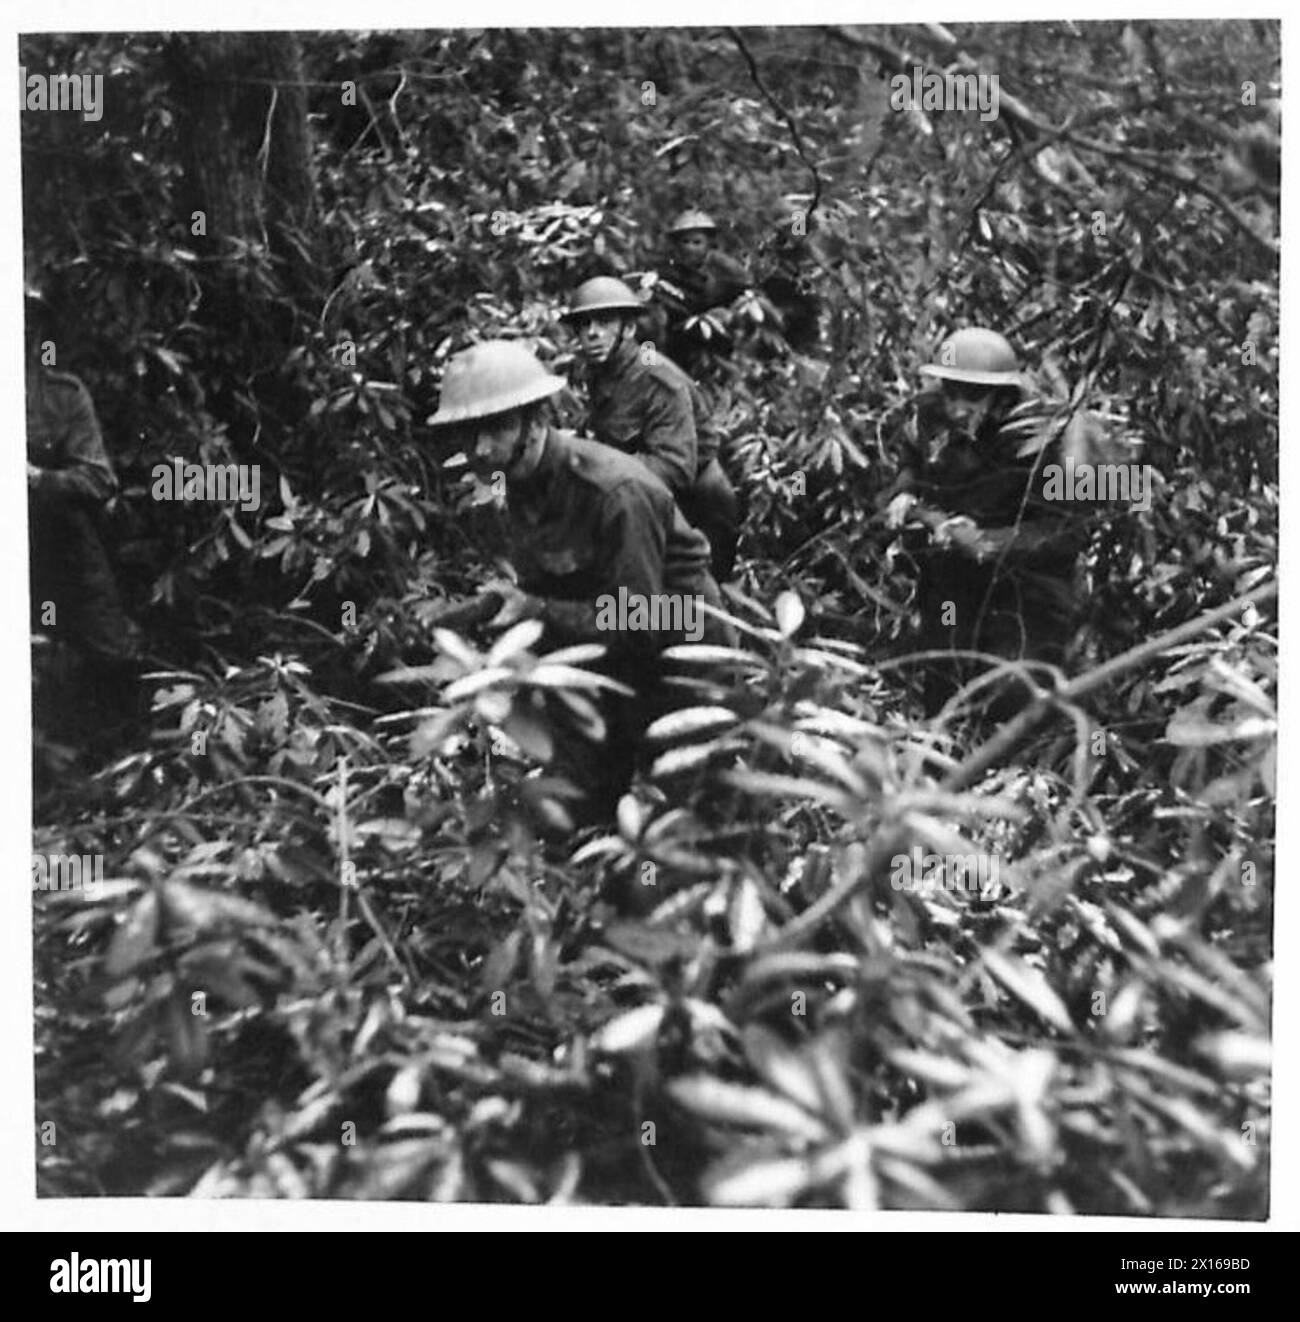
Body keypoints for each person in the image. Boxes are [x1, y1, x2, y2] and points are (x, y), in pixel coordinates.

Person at [427, 339, 733, 819]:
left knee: (678, 819)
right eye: (469, 435)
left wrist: (536, 613)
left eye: (496, 429)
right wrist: (490, 611)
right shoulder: (514, 486)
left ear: (537, 420)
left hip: (682, 651)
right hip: (604, 655)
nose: (481, 449)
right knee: (571, 806)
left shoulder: (615, 491)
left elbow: (640, 620)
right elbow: (553, 581)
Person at [885, 327, 1100, 719]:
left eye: (970, 395)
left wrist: (989, 541)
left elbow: (1067, 533)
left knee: (1012, 684)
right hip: (954, 579)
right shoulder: (932, 413)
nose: (955, 407)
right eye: (950, 390)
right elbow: (911, 454)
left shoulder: (1049, 440)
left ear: (1001, 397)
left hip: (1025, 588)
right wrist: (906, 491)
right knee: (942, 667)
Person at [562, 276, 740, 580]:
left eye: (604, 322)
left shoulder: (656, 379)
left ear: (628, 329)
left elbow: (675, 466)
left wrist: (598, 475)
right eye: (584, 324)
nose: (592, 333)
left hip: (696, 507)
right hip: (642, 495)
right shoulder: (598, 370)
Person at [650, 209, 752, 375]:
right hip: (676, 348)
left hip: (717, 348)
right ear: (677, 245)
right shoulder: (667, 273)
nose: (690, 248)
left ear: (709, 243)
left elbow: (746, 294)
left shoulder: (726, 269)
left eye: (697, 242)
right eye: (685, 242)